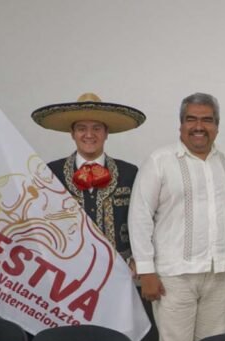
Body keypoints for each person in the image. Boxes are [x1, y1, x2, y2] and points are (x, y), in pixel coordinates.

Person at [129, 93, 225, 341]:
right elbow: (139, 217)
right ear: (180, 124)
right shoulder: (160, 160)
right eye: (191, 119)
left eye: (207, 120)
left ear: (217, 125)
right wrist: (147, 271)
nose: (199, 127)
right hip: (174, 276)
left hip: (222, 274)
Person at [31, 92, 146, 262]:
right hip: (68, 268)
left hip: (120, 269)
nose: (89, 135)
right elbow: (39, 222)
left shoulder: (129, 172)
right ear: (72, 133)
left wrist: (138, 262)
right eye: (81, 128)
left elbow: (142, 221)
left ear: (107, 133)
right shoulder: (51, 172)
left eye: (97, 128)